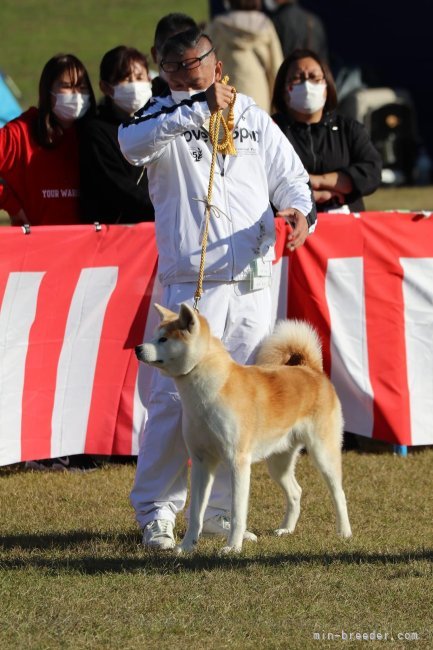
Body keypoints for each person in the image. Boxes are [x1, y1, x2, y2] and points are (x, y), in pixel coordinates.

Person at [118, 26, 315, 550]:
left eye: (195, 61)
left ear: (215, 61)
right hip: (193, 282)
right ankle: (158, 512)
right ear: (163, 69)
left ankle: (222, 512)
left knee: (240, 401)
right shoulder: (160, 116)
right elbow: (130, 145)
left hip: (252, 276)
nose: (186, 71)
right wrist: (195, 108)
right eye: (175, 65)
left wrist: (299, 211)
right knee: (169, 398)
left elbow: (291, 176)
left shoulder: (250, 114)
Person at [271, 49, 382, 212]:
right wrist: (312, 194)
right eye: (297, 78)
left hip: (344, 224)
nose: (306, 85)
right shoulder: (271, 130)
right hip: (290, 225)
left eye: (314, 78)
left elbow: (371, 171)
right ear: (283, 89)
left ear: (327, 85)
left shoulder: (348, 129)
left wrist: (318, 181)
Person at [0, 53, 96, 226]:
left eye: (81, 87)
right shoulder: (19, 133)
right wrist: (11, 205)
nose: (76, 95)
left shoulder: (96, 135)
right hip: (35, 247)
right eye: (67, 86)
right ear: (47, 90)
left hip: (85, 247)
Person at [79, 46, 155, 224]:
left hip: (159, 230)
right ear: (106, 87)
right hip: (116, 234)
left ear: (150, 80)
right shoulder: (96, 132)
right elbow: (116, 186)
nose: (134, 86)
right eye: (125, 80)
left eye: (139, 78)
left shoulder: (157, 123)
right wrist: (163, 209)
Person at [206, 0, 283, 112]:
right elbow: (276, 67)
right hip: (259, 93)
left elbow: (205, 63)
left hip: (225, 95)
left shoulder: (218, 26)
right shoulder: (266, 25)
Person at [150, 13, 198, 97]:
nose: (181, 63)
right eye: (172, 53)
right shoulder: (145, 103)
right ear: (155, 54)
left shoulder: (215, 99)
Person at [264, 0, 328, 62]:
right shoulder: (315, 21)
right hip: (312, 70)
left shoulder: (275, 21)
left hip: (287, 70)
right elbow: (323, 61)